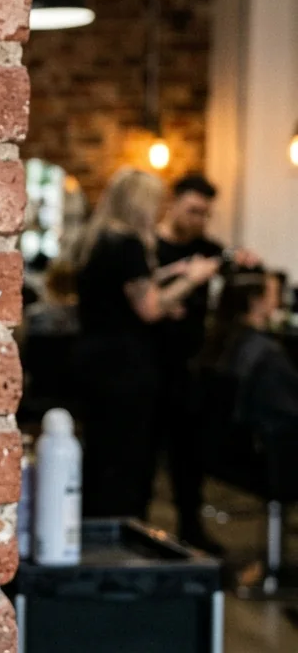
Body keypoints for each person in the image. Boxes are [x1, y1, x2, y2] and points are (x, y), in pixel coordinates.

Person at [69, 168, 220, 520]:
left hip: (94, 360)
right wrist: (193, 279)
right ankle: (121, 531)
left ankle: (96, 527)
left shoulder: (99, 240)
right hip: (123, 368)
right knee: (124, 460)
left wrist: (171, 273)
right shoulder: (128, 244)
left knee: (102, 453)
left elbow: (125, 288)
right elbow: (150, 308)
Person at [152, 174, 259, 552]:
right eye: (193, 210)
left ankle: (190, 527)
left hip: (191, 368)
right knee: (146, 454)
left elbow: (236, 277)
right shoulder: (151, 249)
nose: (198, 220)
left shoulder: (208, 249)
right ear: (174, 202)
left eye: (205, 214)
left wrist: (244, 262)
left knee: (189, 455)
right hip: (149, 366)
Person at [200, 270, 298, 436]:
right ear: (256, 301)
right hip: (265, 444)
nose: (278, 302)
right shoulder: (267, 354)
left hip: (224, 443)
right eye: (274, 294)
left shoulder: (217, 342)